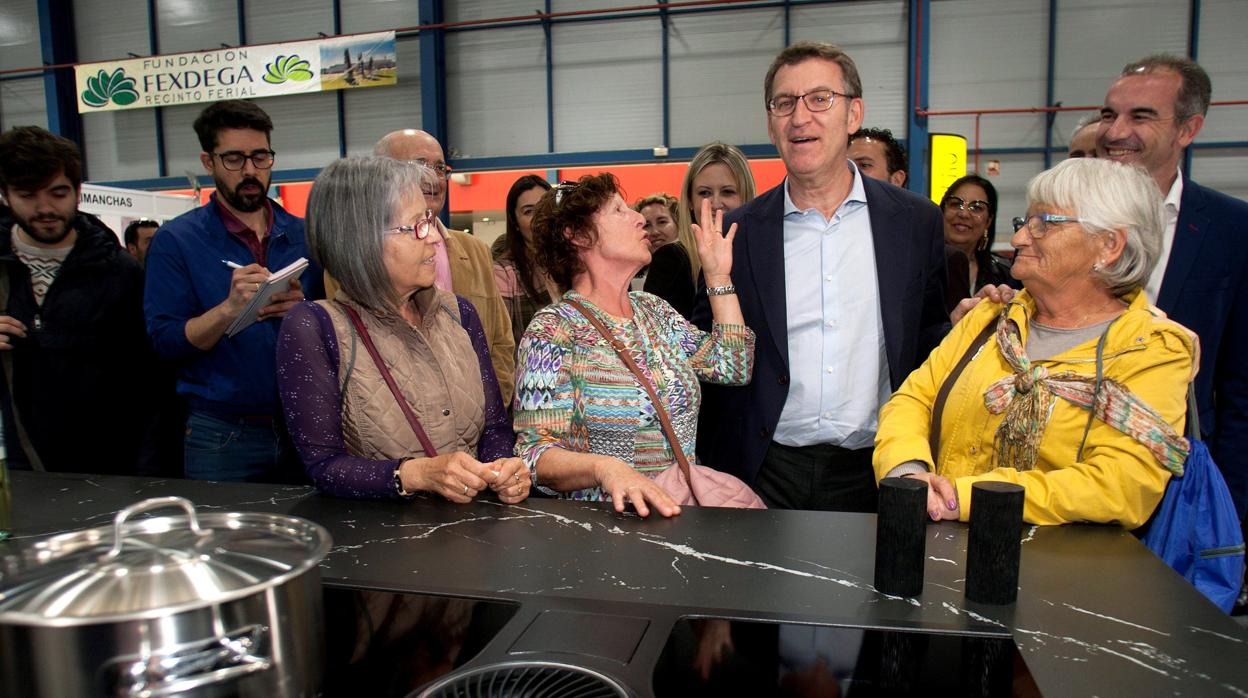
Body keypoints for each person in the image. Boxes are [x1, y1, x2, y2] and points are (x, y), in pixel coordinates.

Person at [693, 41, 948, 513]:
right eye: (783, 103)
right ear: (770, 124)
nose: (799, 117)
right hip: (764, 471)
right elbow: (707, 354)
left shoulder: (915, 223)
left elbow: (931, 338)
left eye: (820, 99)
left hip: (877, 471)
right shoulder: (738, 233)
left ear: (853, 114)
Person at [874, 157, 1192, 528]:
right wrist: (909, 473)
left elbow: (1121, 485)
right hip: (940, 550)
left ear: (1109, 245)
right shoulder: (991, 318)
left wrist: (963, 497)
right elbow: (913, 399)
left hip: (1062, 576)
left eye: (1045, 223)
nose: (1021, 237)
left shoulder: (1150, 350)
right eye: (1024, 222)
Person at [277, 157, 527, 503]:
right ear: (360, 240)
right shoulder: (316, 327)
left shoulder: (459, 314)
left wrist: (503, 466)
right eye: (415, 226)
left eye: (430, 221)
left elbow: (494, 428)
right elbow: (323, 466)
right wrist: (415, 474)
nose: (434, 240)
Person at [513, 174, 755, 518]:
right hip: (606, 529)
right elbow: (534, 454)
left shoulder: (653, 311)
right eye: (618, 210)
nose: (639, 218)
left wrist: (718, 278)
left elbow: (733, 366)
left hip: (679, 514)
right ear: (578, 236)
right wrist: (606, 469)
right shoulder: (553, 330)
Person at [1099, 57, 1248, 607]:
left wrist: (1227, 514)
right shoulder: (1062, 218)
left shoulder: (1233, 231)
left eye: (1141, 116)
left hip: (1177, 491)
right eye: (1109, 114)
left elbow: (1241, 389)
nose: (1117, 133)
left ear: (1189, 128)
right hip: (1071, 482)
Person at [145, 99, 324, 483]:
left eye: (260, 157)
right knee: (222, 541)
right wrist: (229, 309)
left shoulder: (305, 235)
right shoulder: (177, 241)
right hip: (221, 432)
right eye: (233, 159)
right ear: (208, 162)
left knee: (310, 538)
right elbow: (165, 341)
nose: (249, 171)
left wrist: (306, 310)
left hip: (304, 423)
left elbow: (341, 326)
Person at [0, 126, 155, 474]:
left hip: (106, 468)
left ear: (77, 191)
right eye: (27, 194)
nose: (45, 208)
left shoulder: (120, 271)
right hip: (19, 466)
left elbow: (147, 383)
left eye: (58, 193)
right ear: (5, 196)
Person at [372, 129, 515, 406]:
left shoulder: (475, 251)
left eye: (440, 168)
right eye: (420, 166)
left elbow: (501, 342)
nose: (434, 178)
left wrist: (490, 410)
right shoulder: (359, 260)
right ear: (382, 176)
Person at [675, 142, 757, 298]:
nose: (716, 204)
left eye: (727, 192)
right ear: (690, 200)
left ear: (746, 196)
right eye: (705, 193)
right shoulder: (672, 260)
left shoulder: (763, 255)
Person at [940, 174, 1020, 313]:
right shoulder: (917, 267)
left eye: (976, 208)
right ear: (942, 211)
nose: (963, 214)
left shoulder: (1006, 273)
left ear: (988, 221)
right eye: (955, 203)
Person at [492, 175, 553, 346]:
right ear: (515, 223)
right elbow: (500, 344)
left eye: (545, 207)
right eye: (528, 211)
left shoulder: (577, 263)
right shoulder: (504, 273)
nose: (540, 217)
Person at [637, 193, 695, 318]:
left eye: (662, 222)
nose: (655, 232)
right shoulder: (633, 270)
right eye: (647, 225)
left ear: (678, 223)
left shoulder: (671, 255)